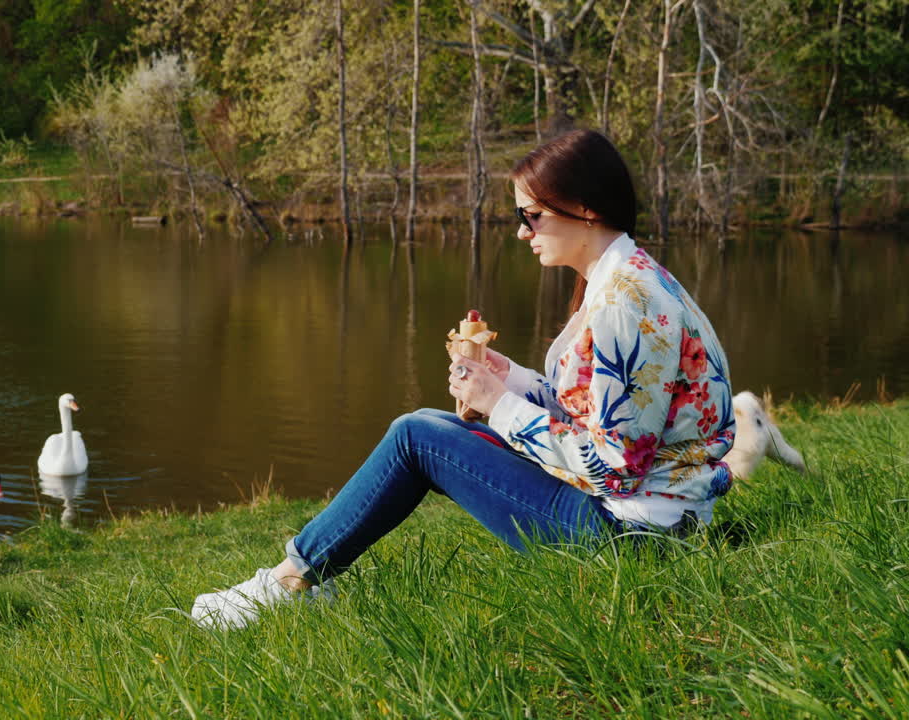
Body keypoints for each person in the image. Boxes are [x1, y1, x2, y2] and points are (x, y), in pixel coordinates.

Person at [190, 129, 737, 630]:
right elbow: (596, 412)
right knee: (429, 424)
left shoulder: (625, 302)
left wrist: (500, 405)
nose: (523, 233)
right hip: (655, 520)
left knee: (416, 436)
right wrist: (511, 381)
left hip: (633, 539)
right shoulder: (630, 278)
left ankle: (286, 584)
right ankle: (299, 577)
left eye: (531, 216)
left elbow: (615, 466)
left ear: (585, 208)